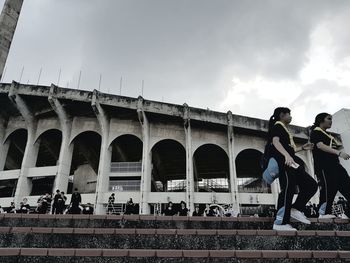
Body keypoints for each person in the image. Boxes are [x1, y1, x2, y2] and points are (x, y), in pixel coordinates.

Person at [267, 107, 317, 231]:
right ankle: (280, 223)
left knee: (311, 185)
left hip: (292, 162)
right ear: (282, 115)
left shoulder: (284, 130)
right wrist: (286, 155)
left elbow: (289, 149)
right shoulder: (277, 126)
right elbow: (276, 142)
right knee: (288, 189)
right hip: (285, 162)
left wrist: (302, 149)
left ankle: (296, 209)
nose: (291, 117)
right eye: (289, 114)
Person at [310, 113, 350, 219]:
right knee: (328, 188)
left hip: (336, 165)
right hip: (324, 166)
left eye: (331, 119)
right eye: (328, 119)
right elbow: (320, 145)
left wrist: (340, 150)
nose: (331, 121)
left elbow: (338, 146)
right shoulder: (315, 132)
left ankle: (347, 214)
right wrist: (339, 153)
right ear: (320, 120)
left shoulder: (329, 135)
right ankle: (323, 213)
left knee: (347, 185)